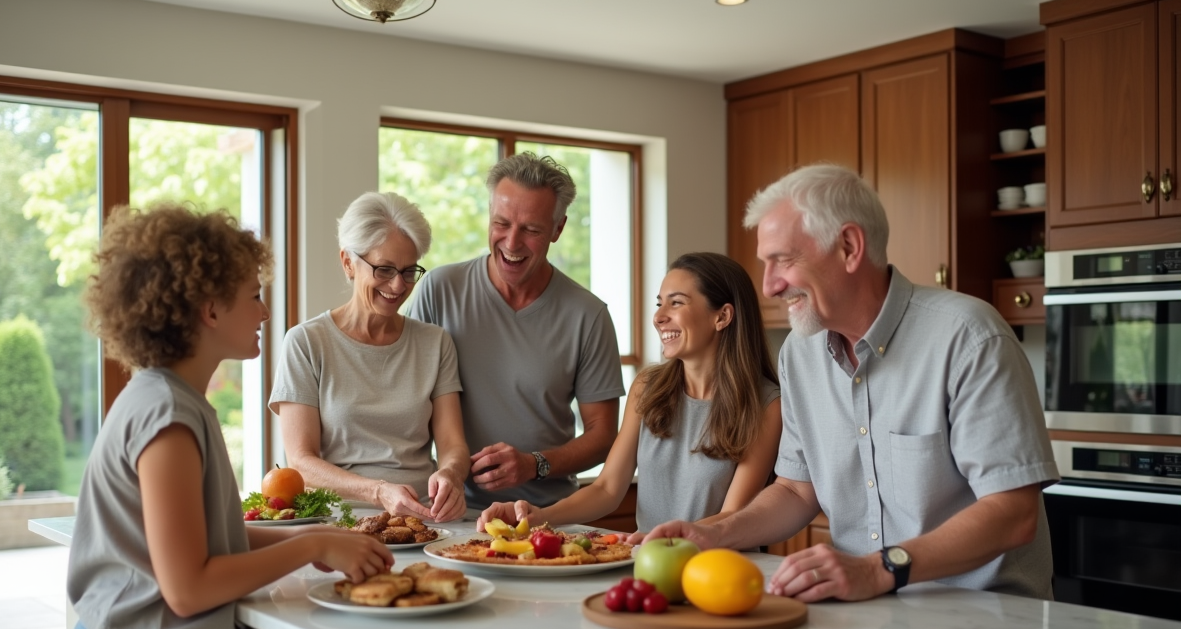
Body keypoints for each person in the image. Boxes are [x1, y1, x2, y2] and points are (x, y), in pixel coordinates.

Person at [62, 204, 393, 629]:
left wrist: (315, 542)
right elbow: (188, 588)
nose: (265, 310)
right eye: (252, 294)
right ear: (209, 309)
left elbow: (210, 537)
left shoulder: (173, 401)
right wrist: (311, 541)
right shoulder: (166, 416)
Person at [641, 164, 1058, 602]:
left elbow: (1013, 513)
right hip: (865, 612)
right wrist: (713, 533)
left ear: (849, 247)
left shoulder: (969, 338)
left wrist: (880, 569)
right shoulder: (800, 356)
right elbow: (794, 490)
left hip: (986, 622)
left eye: (783, 260)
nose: (769, 286)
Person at [477, 252, 781, 533]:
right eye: (659, 303)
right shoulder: (648, 388)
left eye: (676, 303)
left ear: (723, 316)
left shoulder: (767, 405)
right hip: (648, 566)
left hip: (718, 573)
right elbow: (608, 489)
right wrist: (537, 516)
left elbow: (734, 516)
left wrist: (666, 540)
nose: (659, 317)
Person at [408, 152, 625, 510]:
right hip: (451, 513)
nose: (511, 243)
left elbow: (602, 436)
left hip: (549, 517)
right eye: (502, 223)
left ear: (558, 229)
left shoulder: (588, 315)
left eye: (531, 229)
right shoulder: (439, 289)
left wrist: (533, 464)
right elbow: (409, 398)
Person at [271, 192, 469, 522]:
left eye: (408, 272)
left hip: (425, 519)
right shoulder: (306, 343)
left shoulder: (436, 343)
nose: (397, 286)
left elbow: (453, 444)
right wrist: (377, 490)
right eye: (384, 269)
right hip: (341, 521)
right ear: (348, 261)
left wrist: (451, 475)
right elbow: (301, 461)